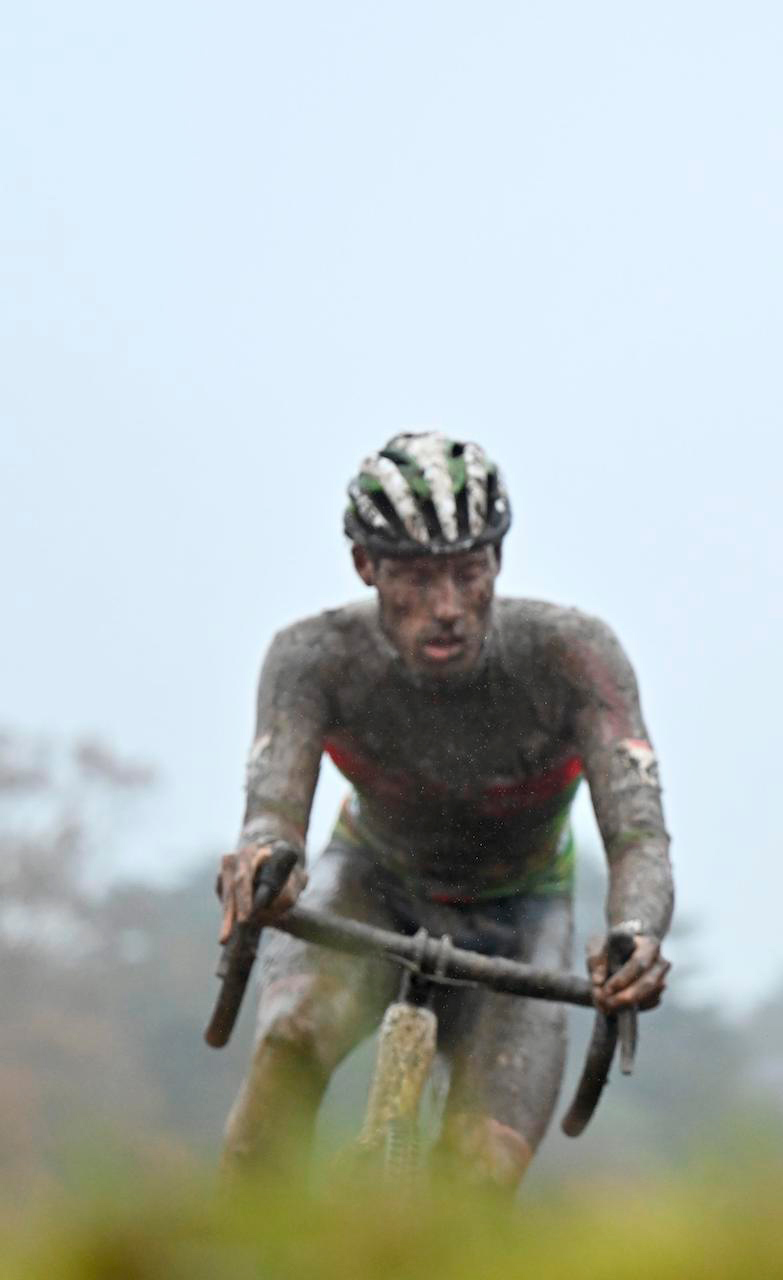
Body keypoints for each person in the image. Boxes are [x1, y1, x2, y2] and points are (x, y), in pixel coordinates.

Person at [214, 430, 674, 1191]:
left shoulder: (573, 655)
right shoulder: (311, 659)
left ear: (499, 561)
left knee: (480, 1170)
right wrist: (263, 862)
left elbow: (640, 839)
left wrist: (636, 934)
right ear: (366, 568)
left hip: (521, 917)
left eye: (469, 573)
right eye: (418, 581)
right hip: (372, 885)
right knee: (290, 1049)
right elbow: (271, 816)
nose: (449, 608)